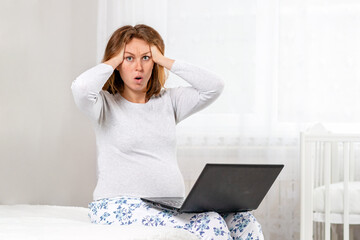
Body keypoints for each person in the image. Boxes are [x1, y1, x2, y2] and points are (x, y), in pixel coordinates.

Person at [71, 24, 264, 240]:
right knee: (210, 224)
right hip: (119, 205)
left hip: (171, 205)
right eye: (129, 58)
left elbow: (214, 86)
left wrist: (163, 60)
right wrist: (115, 59)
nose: (139, 67)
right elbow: (81, 88)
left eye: (146, 58)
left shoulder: (168, 101)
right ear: (117, 63)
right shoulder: (104, 104)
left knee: (244, 221)